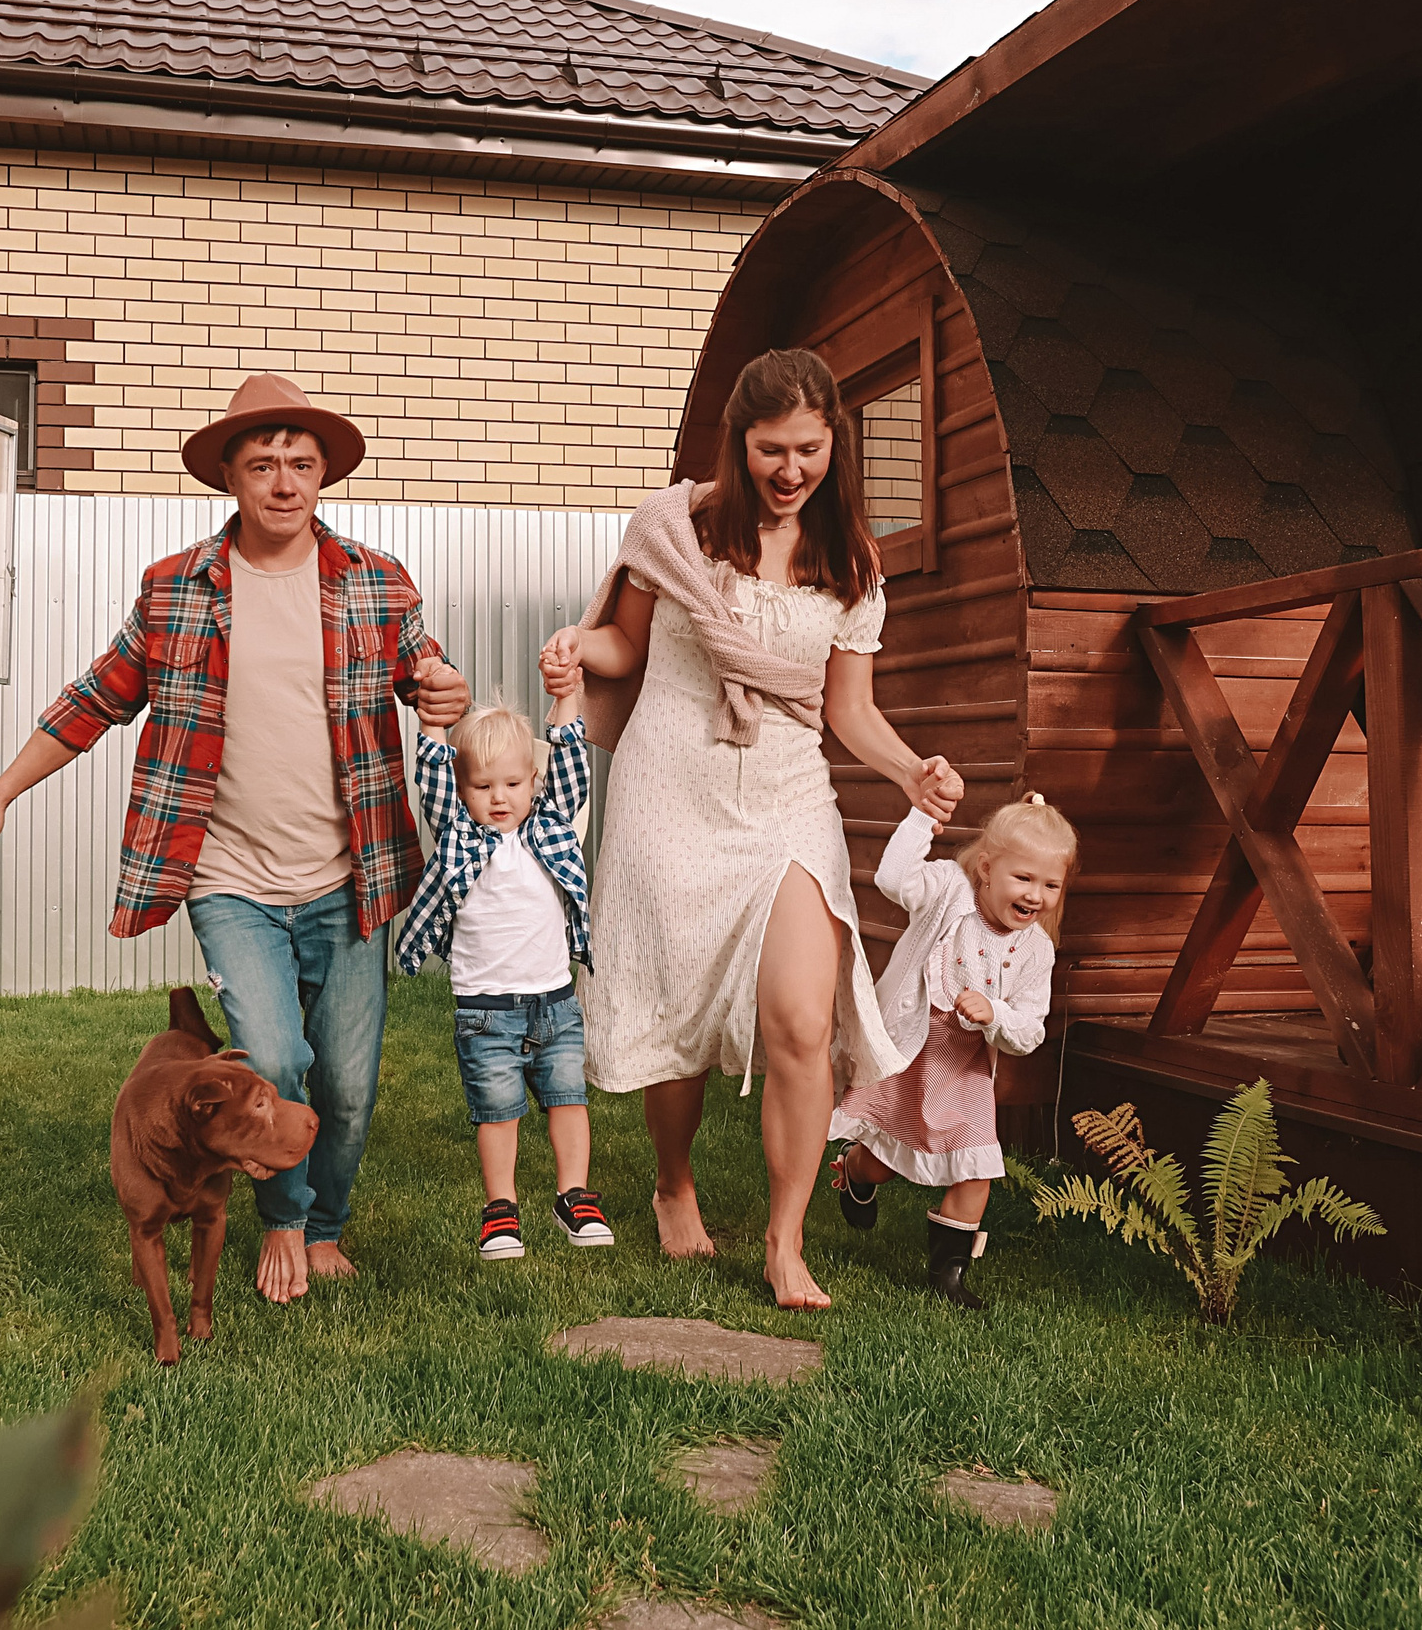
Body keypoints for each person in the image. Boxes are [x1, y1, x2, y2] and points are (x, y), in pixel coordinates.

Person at [0, 371, 469, 1305]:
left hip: (351, 877)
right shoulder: (176, 590)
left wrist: (447, 692)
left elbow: (427, 672)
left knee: (344, 1083)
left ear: (322, 476)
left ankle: (324, 1227)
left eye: (301, 463)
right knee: (273, 1056)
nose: (283, 481)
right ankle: (282, 1217)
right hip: (228, 878)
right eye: (262, 463)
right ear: (228, 475)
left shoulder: (376, 584)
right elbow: (92, 700)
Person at [541, 347, 963, 1311]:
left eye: (809, 450)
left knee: (803, 1020)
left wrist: (911, 771)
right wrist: (578, 643)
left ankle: (783, 1241)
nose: (790, 471)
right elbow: (627, 645)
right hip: (669, 782)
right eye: (772, 450)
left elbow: (846, 709)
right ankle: (674, 1181)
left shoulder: (850, 559)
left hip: (784, 795)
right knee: (681, 1008)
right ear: (738, 443)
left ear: (833, 445)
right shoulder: (677, 528)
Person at [397, 667, 613, 1261]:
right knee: (497, 1110)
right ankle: (501, 1208)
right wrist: (432, 725)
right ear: (464, 792)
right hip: (485, 1010)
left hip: (556, 1001)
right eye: (483, 786)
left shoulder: (552, 827)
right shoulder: (458, 836)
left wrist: (566, 697)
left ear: (533, 782)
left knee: (569, 1096)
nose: (499, 797)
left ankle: (574, 1194)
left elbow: (572, 768)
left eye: (513, 784)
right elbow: (434, 778)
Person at [829, 795, 1075, 1310]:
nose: (1037, 896)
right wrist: (923, 817)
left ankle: (948, 1276)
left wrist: (997, 1014)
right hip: (910, 1048)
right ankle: (855, 1169)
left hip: (962, 1069)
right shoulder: (947, 890)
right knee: (888, 1160)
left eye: (1051, 885)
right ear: (986, 868)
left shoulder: (1037, 950)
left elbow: (1029, 1031)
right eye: (1024, 879)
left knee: (975, 1167)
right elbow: (893, 878)